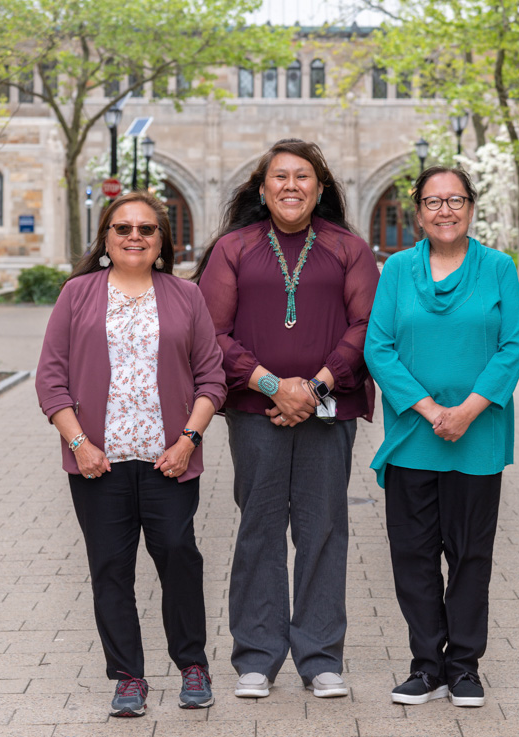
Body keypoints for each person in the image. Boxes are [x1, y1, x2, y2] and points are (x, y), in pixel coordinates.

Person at [194, 139, 379, 699]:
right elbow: (211, 331)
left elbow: (367, 324)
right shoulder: (234, 247)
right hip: (255, 410)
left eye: (303, 176)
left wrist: (317, 384)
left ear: (320, 188)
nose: (291, 185)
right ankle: (257, 656)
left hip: (328, 407)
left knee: (323, 528)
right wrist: (274, 385)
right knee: (259, 527)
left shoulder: (349, 247)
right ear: (262, 187)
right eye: (280, 176)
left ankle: (320, 657)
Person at [36, 191, 226, 717]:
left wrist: (188, 441)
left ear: (162, 241)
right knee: (111, 569)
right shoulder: (76, 294)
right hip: (98, 465)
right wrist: (80, 444)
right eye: (123, 228)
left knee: (180, 559)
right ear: (106, 238)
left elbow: (213, 377)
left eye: (146, 229)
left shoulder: (186, 296)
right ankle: (128, 678)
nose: (134, 236)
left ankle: (193, 665)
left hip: (170, 460)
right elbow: (51, 380)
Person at [364, 166, 519, 708]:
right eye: (433, 202)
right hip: (415, 435)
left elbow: (512, 348)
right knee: (412, 556)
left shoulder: (498, 268)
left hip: (476, 438)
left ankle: (464, 668)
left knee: (469, 555)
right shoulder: (396, 271)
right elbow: (378, 348)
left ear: (471, 207)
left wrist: (468, 411)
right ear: (418, 213)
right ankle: (426, 665)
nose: (445, 211)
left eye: (455, 200)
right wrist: (433, 410)